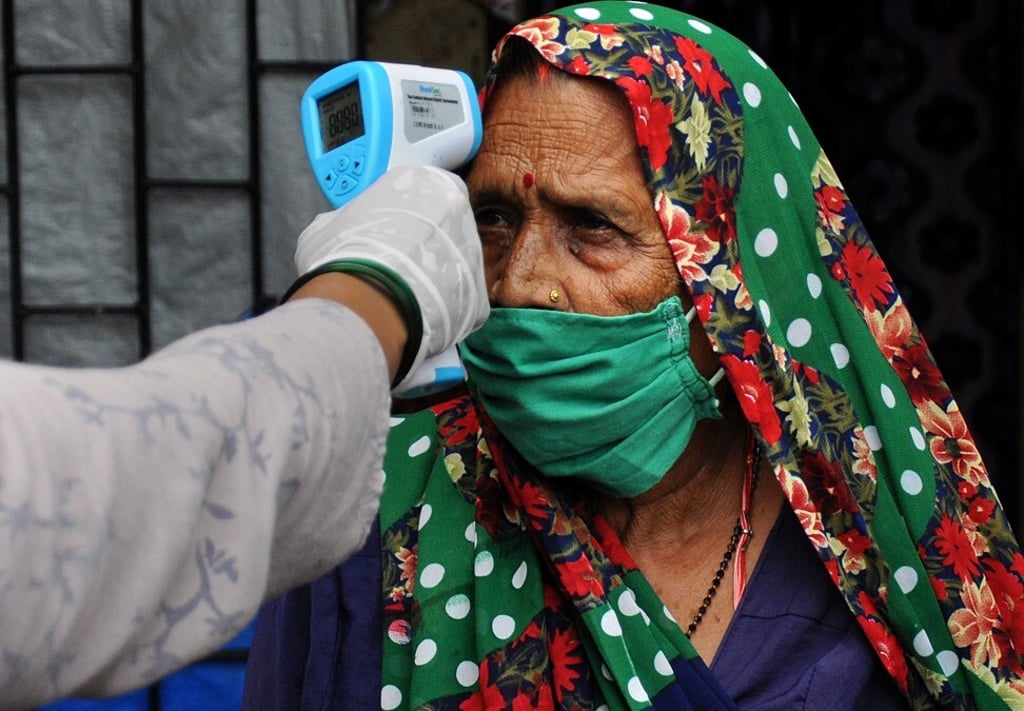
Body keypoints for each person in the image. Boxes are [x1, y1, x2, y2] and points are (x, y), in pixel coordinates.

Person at [243, 4, 1024, 709]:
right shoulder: (368, 506)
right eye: (494, 218)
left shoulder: (873, 538)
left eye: (592, 226)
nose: (520, 283)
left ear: (730, 279)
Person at [0, 164, 488, 711]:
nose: (534, 282)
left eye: (591, 224)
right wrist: (381, 286)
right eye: (491, 220)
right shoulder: (387, 483)